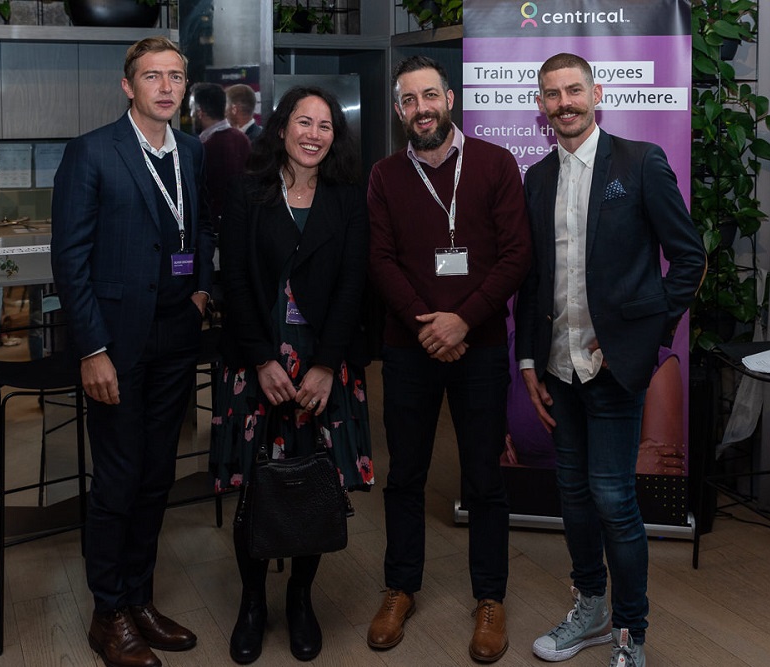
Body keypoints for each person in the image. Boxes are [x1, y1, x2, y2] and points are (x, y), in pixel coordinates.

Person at [515, 53, 706, 666]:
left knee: (614, 498)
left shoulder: (640, 162)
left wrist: (650, 340)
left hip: (615, 370)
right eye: (552, 94)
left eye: (574, 90)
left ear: (596, 93)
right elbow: (532, 279)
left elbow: (689, 258)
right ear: (541, 105)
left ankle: (632, 631)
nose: (564, 102)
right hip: (558, 367)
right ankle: (591, 610)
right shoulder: (537, 178)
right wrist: (526, 359)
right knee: (572, 494)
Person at [51, 36, 214, 667]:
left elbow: (197, 226)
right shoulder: (92, 152)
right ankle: (108, 612)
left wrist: (200, 287)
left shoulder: (192, 152)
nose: (167, 87)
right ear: (128, 86)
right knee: (118, 478)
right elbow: (71, 260)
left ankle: (140, 597)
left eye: (175, 76)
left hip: (175, 337)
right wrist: (92, 348)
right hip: (115, 343)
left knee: (157, 474)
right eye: (154, 77)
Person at [366, 55, 531, 664]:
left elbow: (517, 255)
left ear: (451, 98)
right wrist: (429, 326)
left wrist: (463, 319)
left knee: (484, 479)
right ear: (399, 110)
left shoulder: (494, 163)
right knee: (404, 474)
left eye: (429, 96)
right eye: (408, 101)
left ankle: (490, 598)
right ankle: (400, 587)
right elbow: (380, 261)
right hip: (407, 350)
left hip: (481, 345)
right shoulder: (384, 175)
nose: (420, 109)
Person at [211, 85, 374, 664]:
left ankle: (301, 599)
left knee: (315, 487)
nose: (313, 134)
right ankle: (253, 603)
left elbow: (355, 284)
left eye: (325, 125)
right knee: (258, 489)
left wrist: (327, 365)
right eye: (302, 122)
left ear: (336, 136)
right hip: (257, 357)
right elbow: (233, 283)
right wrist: (260, 359)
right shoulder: (248, 192)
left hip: (323, 360)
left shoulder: (349, 198)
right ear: (280, 129)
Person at [190, 82, 252, 231]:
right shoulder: (243, 139)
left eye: (191, 109)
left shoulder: (203, 148)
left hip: (213, 234)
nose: (190, 114)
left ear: (199, 112)